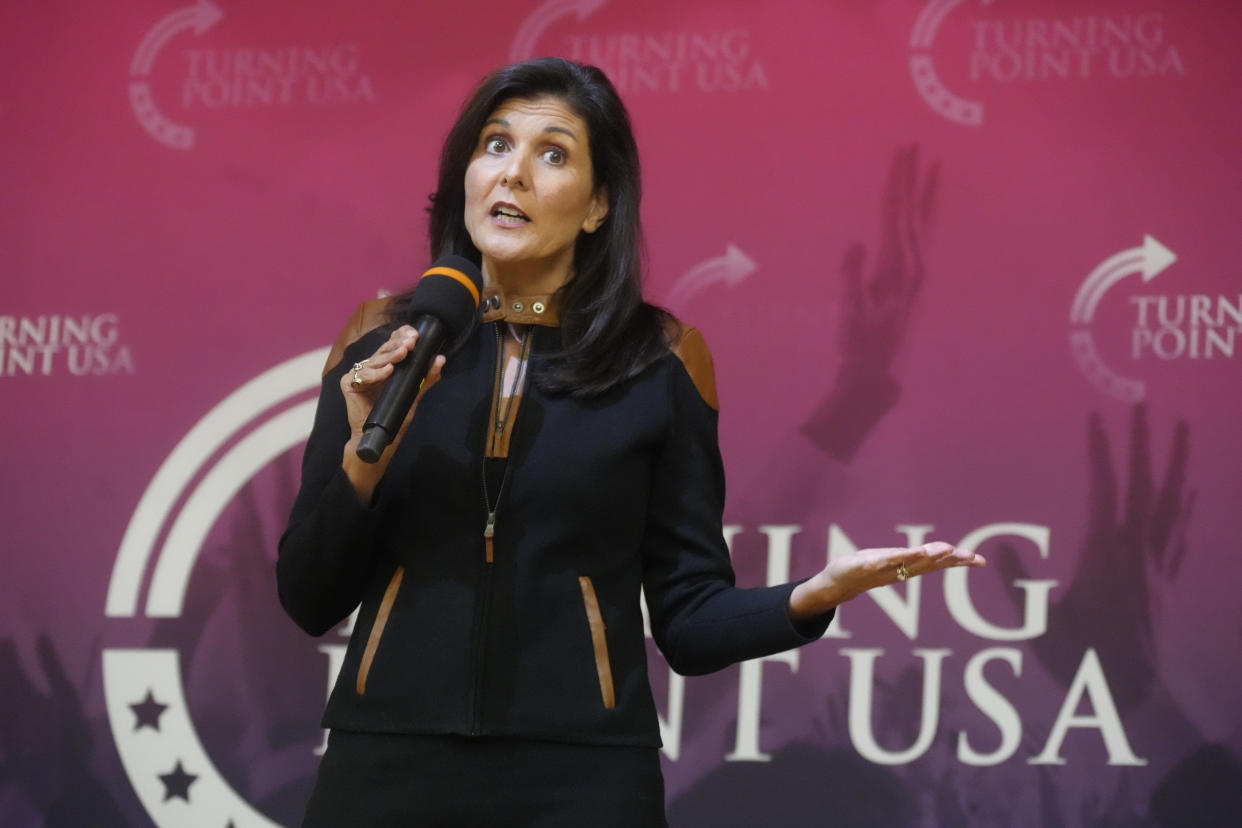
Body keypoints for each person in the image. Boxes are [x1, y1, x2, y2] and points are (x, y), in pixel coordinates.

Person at [276, 57, 984, 827]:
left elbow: (688, 617)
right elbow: (309, 596)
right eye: (495, 145)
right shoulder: (384, 340)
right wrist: (361, 456)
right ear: (464, 176)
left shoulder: (661, 359)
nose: (512, 174)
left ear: (597, 205)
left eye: (552, 153)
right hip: (384, 768)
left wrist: (814, 596)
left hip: (582, 777)